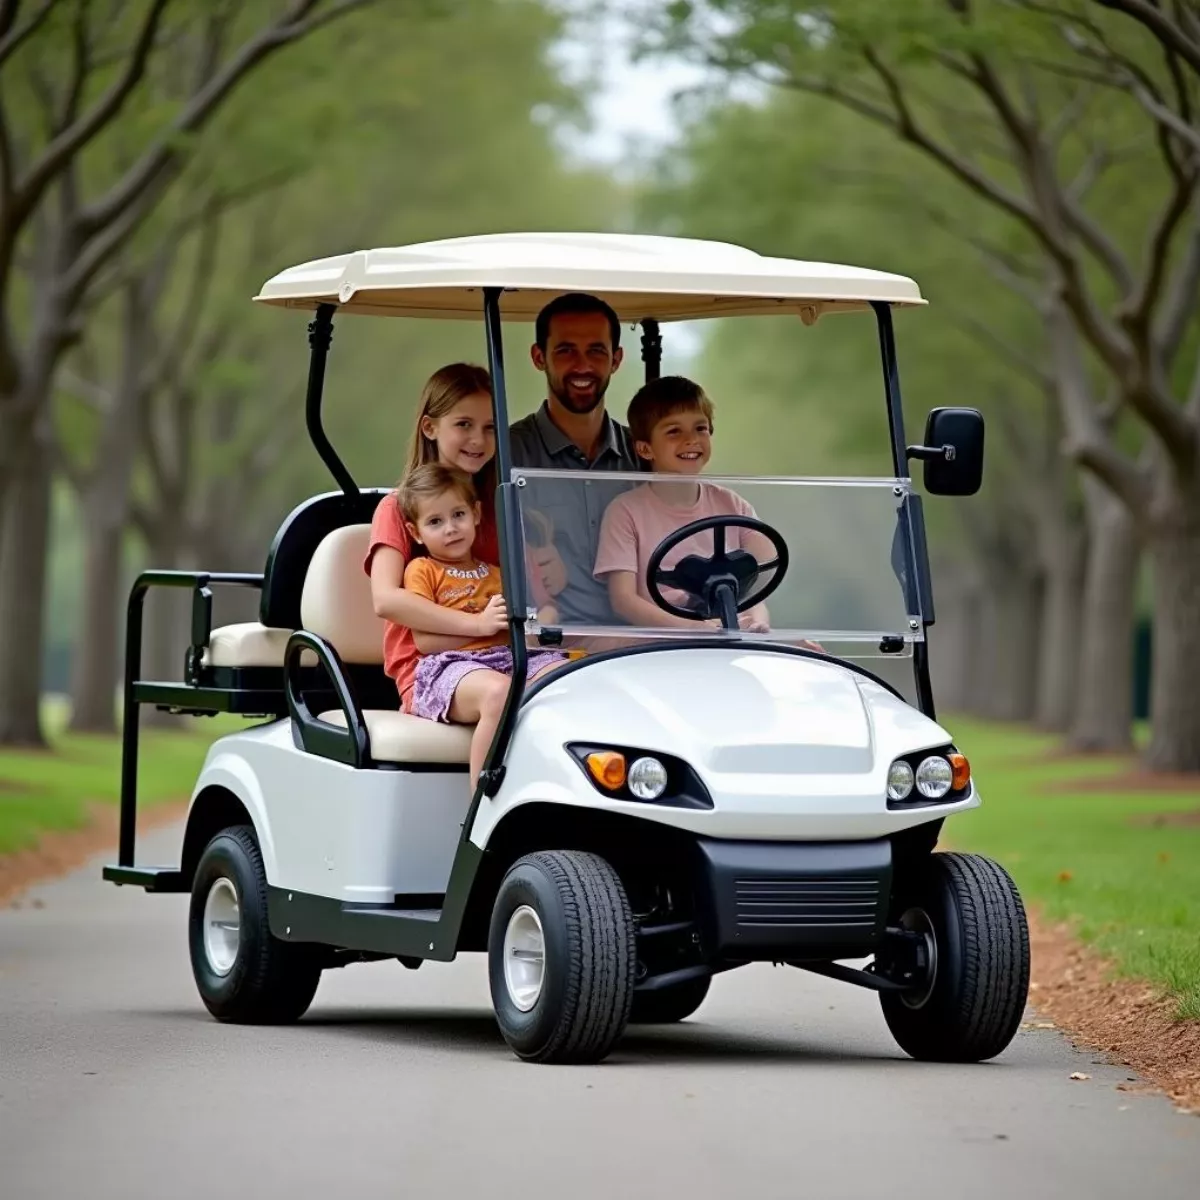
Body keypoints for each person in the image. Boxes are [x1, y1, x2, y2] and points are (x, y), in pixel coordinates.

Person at [398, 463, 564, 788]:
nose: (451, 528)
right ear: (416, 532)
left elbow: (521, 625)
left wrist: (540, 622)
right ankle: (481, 804)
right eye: (435, 521)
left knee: (565, 679)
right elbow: (425, 642)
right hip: (450, 667)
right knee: (499, 692)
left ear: (475, 514)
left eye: (458, 515)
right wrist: (481, 626)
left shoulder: (496, 573)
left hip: (506, 658)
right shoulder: (422, 570)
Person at [366, 363, 501, 714]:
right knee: (502, 694)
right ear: (429, 427)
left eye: (490, 428)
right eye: (464, 425)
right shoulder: (396, 508)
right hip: (430, 665)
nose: (478, 440)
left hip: (500, 654)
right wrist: (477, 624)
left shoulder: (497, 507)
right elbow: (386, 600)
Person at [593, 376, 773, 632]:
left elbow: (761, 581)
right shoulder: (625, 512)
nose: (691, 440)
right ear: (645, 449)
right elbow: (624, 601)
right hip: (660, 643)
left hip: (730, 634)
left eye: (700, 428)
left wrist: (757, 622)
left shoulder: (733, 505)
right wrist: (693, 629)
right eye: (674, 431)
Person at [509, 293, 642, 627]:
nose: (582, 366)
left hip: (644, 638)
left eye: (596, 351)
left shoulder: (644, 454)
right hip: (547, 644)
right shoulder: (505, 453)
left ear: (616, 359)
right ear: (539, 357)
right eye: (566, 350)